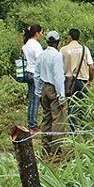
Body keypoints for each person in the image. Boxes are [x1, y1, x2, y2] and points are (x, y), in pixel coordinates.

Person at [34, 31, 67, 159]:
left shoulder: (42, 55)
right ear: (57, 42)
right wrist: (61, 96)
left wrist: (38, 92)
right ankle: (56, 149)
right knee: (58, 118)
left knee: (46, 117)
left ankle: (45, 147)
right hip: (54, 88)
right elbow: (59, 77)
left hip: (44, 88)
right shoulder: (57, 56)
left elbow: (36, 75)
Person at [60, 28, 94, 129]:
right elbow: (92, 66)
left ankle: (73, 127)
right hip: (83, 79)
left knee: (71, 103)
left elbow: (59, 67)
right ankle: (85, 126)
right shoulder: (85, 49)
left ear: (69, 37)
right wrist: (90, 80)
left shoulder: (63, 50)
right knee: (83, 103)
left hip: (69, 81)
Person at [22, 24, 44, 132]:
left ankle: (31, 122)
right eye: (41, 33)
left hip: (27, 72)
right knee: (36, 99)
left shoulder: (26, 45)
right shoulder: (36, 45)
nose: (42, 35)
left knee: (31, 99)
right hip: (35, 73)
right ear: (36, 33)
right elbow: (40, 61)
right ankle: (33, 125)